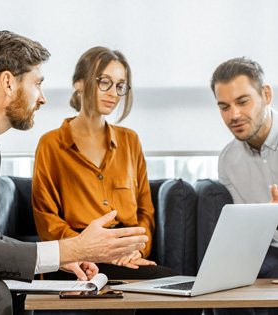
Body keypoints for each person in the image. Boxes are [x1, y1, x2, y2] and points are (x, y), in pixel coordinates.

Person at [0, 31, 149, 315]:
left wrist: (59, 257)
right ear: (8, 83)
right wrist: (74, 249)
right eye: (37, 83)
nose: (42, 98)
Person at [32, 46, 201, 315]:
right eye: (105, 82)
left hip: (126, 258)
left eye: (120, 85)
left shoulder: (130, 141)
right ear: (79, 83)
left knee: (182, 289)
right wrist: (88, 251)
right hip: (78, 263)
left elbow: (146, 213)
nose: (113, 92)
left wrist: (135, 251)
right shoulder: (51, 144)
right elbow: (47, 219)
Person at [210, 57, 278, 315]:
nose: (233, 115)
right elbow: (246, 230)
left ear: (266, 95)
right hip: (266, 250)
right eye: (224, 106)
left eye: (242, 101)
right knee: (219, 285)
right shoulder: (228, 159)